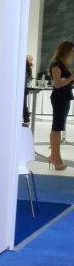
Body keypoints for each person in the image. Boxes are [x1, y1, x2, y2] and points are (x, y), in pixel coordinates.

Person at [47, 40, 74, 170]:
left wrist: (69, 79)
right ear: (65, 51)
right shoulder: (56, 64)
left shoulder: (63, 65)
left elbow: (65, 82)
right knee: (56, 128)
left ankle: (54, 156)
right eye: (72, 51)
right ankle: (56, 158)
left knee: (58, 127)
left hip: (65, 97)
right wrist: (70, 78)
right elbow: (57, 84)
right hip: (59, 98)